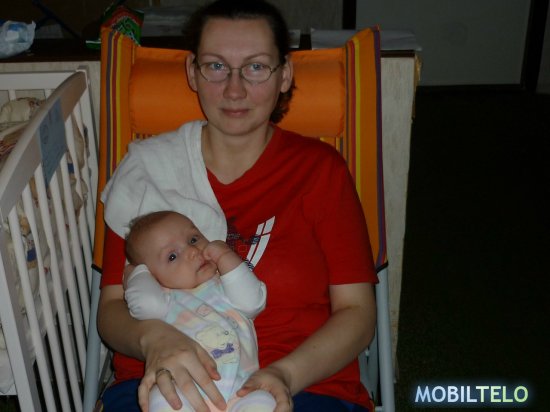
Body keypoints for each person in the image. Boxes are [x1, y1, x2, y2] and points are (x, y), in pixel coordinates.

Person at [97, 0, 378, 411]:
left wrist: (286, 374)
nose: (234, 89)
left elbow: (357, 313)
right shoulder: (147, 171)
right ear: (192, 71)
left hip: (300, 382)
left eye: (256, 67)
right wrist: (154, 339)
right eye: (216, 66)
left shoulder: (320, 171)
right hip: (166, 379)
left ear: (285, 74)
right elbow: (111, 308)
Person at [123, 210, 275, 412]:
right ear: (152, 276)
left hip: (241, 390)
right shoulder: (165, 300)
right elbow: (145, 305)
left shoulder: (227, 282)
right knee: (162, 400)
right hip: (185, 391)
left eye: (193, 239)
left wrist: (225, 256)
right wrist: (136, 273)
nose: (193, 251)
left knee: (266, 401)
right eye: (172, 256)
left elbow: (253, 302)